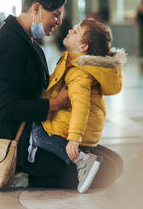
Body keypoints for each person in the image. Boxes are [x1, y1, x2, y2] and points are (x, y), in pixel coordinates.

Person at [0, 0, 123, 190]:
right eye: (55, 14)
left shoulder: (28, 41)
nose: (59, 21)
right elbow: (6, 109)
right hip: (20, 142)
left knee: (116, 163)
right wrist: (55, 104)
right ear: (36, 9)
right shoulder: (9, 44)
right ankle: (25, 175)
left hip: (43, 131)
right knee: (107, 169)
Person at [28, 19, 125, 193]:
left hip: (71, 130)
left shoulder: (79, 71)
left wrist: (74, 138)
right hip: (82, 129)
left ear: (83, 47)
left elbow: (81, 107)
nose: (71, 31)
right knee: (114, 165)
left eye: (76, 31)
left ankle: (81, 161)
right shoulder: (81, 65)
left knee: (39, 134)